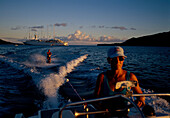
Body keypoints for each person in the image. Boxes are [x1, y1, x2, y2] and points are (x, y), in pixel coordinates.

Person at [94, 46, 145, 117]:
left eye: (121, 58)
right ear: (109, 60)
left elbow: (141, 96)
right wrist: (102, 109)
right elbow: (95, 100)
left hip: (123, 114)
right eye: (114, 58)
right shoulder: (102, 77)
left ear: (123, 60)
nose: (118, 61)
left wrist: (140, 101)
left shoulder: (130, 77)